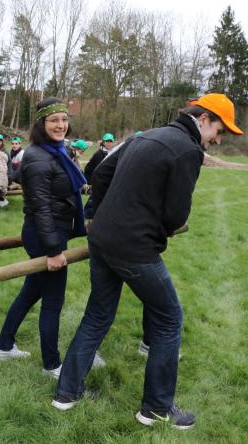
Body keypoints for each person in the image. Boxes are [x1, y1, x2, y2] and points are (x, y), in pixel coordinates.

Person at [52, 94, 243, 430]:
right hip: (133, 248)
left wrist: (104, 214)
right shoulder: (188, 150)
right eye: (219, 130)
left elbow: (101, 172)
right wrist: (155, 227)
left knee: (97, 314)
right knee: (169, 318)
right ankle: (156, 408)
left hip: (102, 238)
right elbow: (176, 214)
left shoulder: (147, 135)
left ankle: (66, 393)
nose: (218, 139)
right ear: (203, 119)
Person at [0, 97, 104, 378]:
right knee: (53, 301)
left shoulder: (57, 151)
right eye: (54, 120)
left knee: (31, 292)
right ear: (42, 124)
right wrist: (53, 250)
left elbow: (66, 191)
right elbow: (40, 206)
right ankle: (52, 365)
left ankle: (4, 348)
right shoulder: (37, 157)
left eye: (64, 119)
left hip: (51, 231)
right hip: (45, 236)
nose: (60, 125)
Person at [83, 133, 115, 221]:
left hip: (107, 182)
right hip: (98, 182)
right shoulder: (99, 154)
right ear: (103, 142)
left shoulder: (113, 152)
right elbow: (88, 169)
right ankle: (87, 216)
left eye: (110, 141)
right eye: (107, 141)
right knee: (94, 202)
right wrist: (90, 182)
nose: (109, 143)